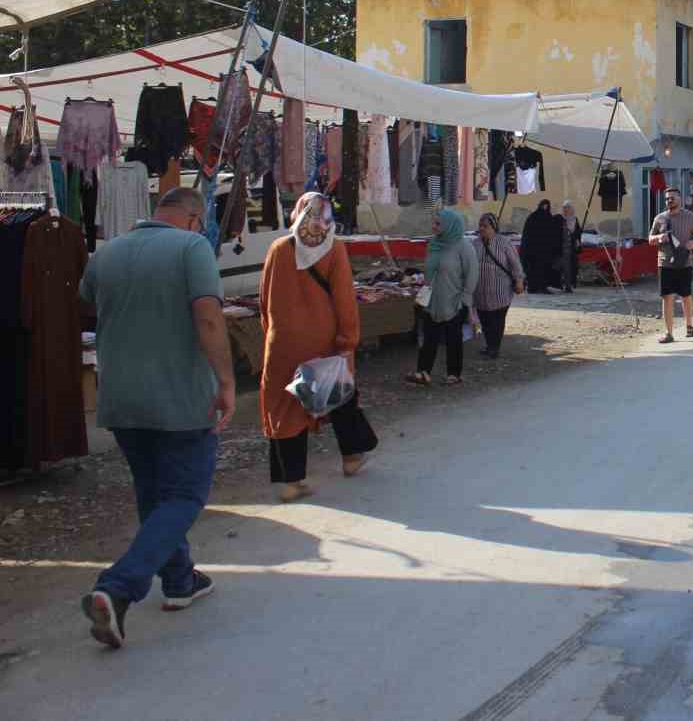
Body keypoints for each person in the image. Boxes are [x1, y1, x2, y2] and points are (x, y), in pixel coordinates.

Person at [77, 187, 234, 649]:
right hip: (181, 397)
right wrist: (226, 381)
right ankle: (118, 588)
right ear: (192, 217)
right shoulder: (192, 247)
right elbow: (208, 316)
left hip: (122, 398)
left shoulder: (107, 252)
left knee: (154, 494)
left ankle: (181, 580)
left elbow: (89, 304)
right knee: (185, 494)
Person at [258, 193, 379, 503]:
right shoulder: (334, 249)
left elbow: (264, 300)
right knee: (337, 395)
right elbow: (344, 302)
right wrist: (347, 342)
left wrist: (272, 334)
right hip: (323, 341)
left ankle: (291, 481)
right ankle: (352, 458)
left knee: (284, 406)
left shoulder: (278, 248)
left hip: (283, 341)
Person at [408, 209, 480, 386]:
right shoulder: (434, 244)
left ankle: (453, 373)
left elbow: (472, 274)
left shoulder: (464, 247)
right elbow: (430, 271)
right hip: (432, 299)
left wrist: (466, 299)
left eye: (438, 224)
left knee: (453, 339)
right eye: (434, 223)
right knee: (429, 337)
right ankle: (423, 372)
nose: (433, 226)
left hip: (454, 299)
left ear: (450, 225)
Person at [651, 186, 693, 343]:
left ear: (680, 199)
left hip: (684, 262)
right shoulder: (659, 218)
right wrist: (660, 237)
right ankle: (669, 333)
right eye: (667, 198)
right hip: (665, 263)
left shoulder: (689, 217)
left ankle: (689, 325)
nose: (669, 201)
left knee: (686, 296)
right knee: (667, 297)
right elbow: (649, 239)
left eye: (672, 198)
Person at [474, 213, 525, 358]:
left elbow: (515, 264)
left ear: (494, 227)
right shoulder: (475, 243)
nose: (482, 229)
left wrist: (519, 281)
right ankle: (489, 344)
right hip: (480, 292)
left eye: (485, 226)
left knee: (497, 320)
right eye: (480, 226)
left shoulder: (504, 243)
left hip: (500, 291)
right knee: (484, 320)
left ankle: (494, 348)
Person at [519, 200, 563, 294]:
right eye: (544, 206)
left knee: (538, 269)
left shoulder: (538, 217)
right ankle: (536, 287)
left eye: (546, 207)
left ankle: (537, 287)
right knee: (537, 269)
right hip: (536, 251)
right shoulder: (537, 217)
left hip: (538, 250)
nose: (545, 209)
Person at [559, 200, 580, 292]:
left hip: (571, 247)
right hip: (562, 247)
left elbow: (578, 232)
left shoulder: (575, 219)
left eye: (568, 207)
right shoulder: (560, 219)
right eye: (565, 208)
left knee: (571, 266)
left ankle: (570, 284)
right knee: (564, 267)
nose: (566, 210)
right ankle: (565, 285)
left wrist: (577, 240)